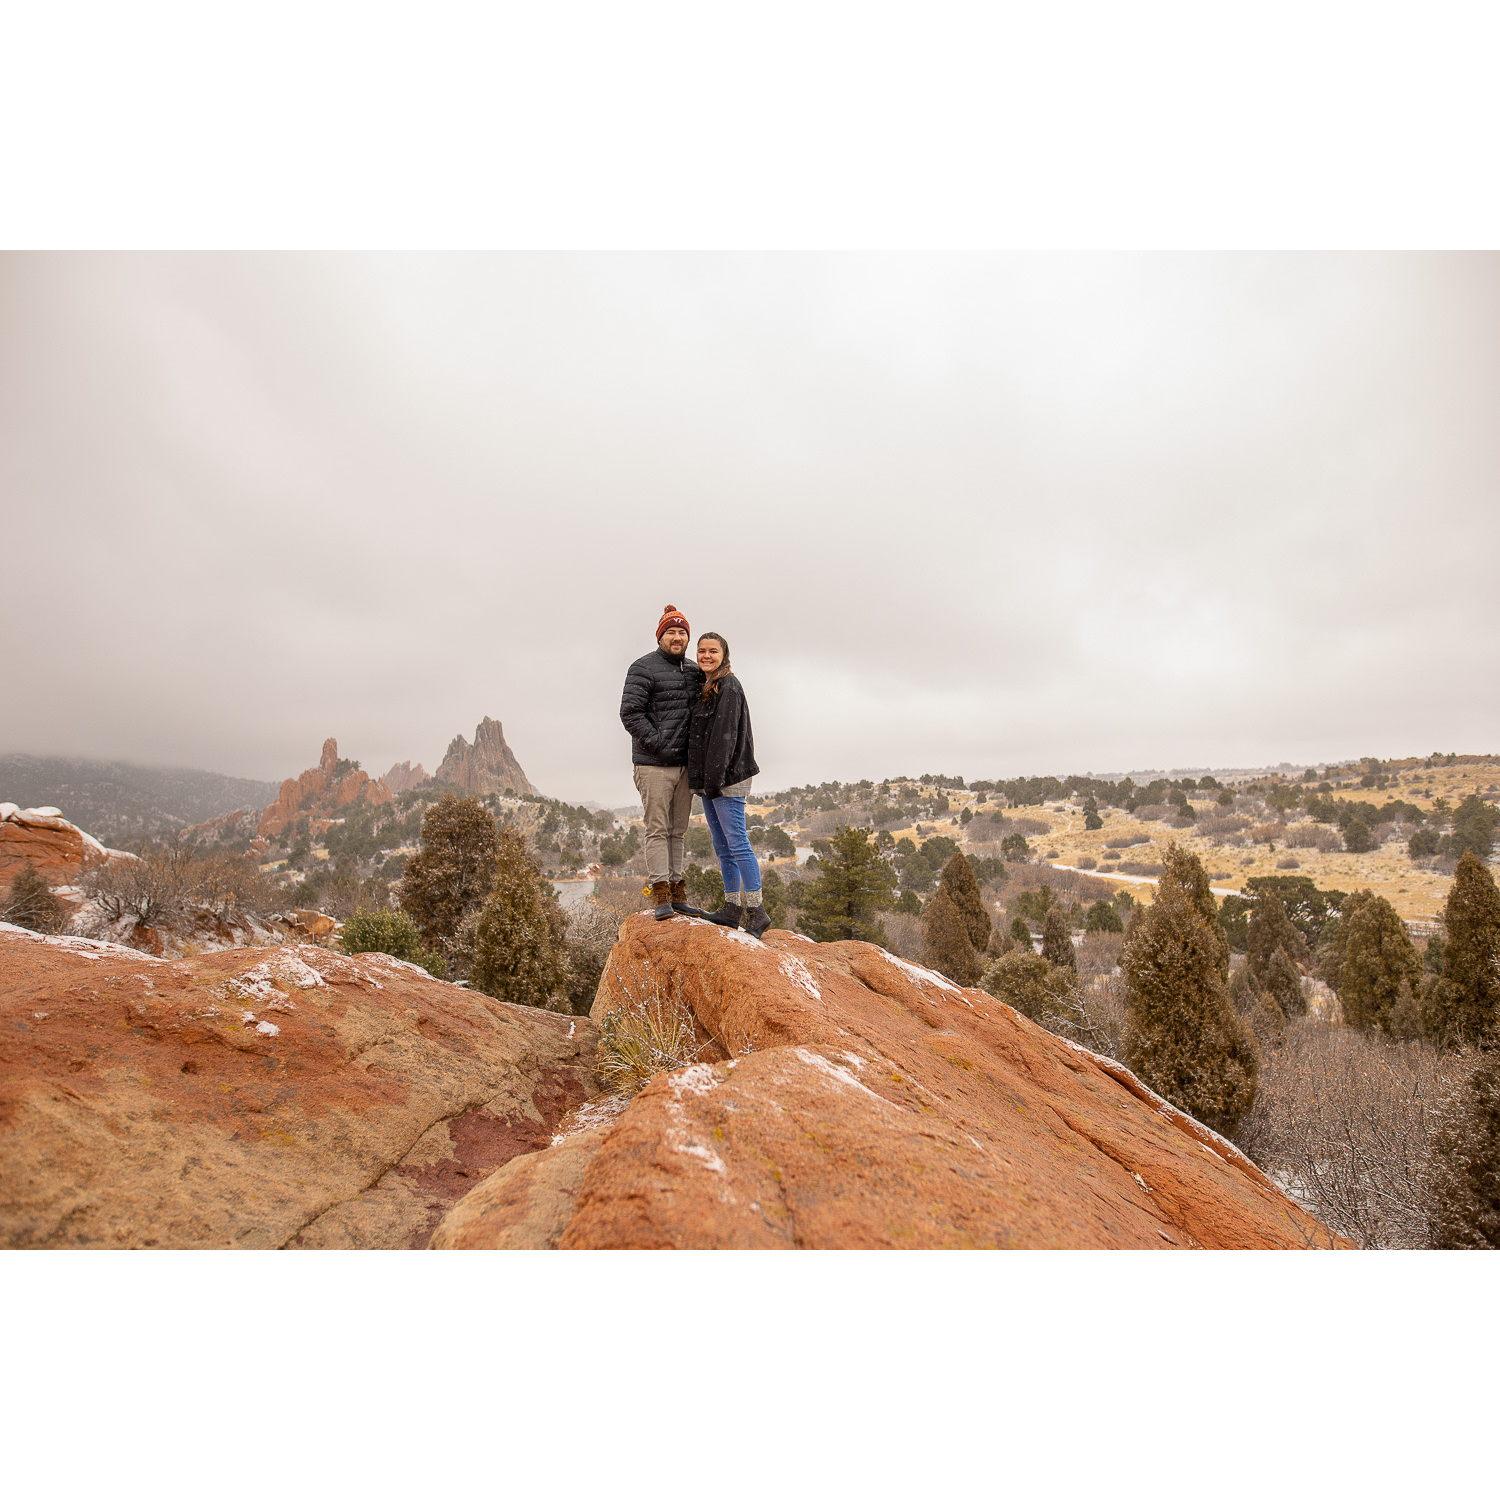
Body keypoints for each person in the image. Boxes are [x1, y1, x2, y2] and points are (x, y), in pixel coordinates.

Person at [620, 605, 704, 920]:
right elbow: (630, 713)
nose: (677, 637)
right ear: (661, 636)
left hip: (685, 766)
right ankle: (661, 895)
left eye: (682, 632)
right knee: (657, 829)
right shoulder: (642, 667)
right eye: (671, 631)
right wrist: (660, 743)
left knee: (678, 831)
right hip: (652, 764)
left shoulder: (695, 671)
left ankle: (678, 892)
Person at [686, 631, 767, 937]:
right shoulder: (710, 686)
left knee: (737, 842)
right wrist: (705, 782)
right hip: (711, 780)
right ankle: (731, 908)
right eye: (702, 651)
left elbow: (725, 738)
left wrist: (714, 781)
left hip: (727, 778)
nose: (706, 656)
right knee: (722, 845)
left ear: (724, 655)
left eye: (713, 651)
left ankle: (756, 911)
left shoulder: (729, 687)